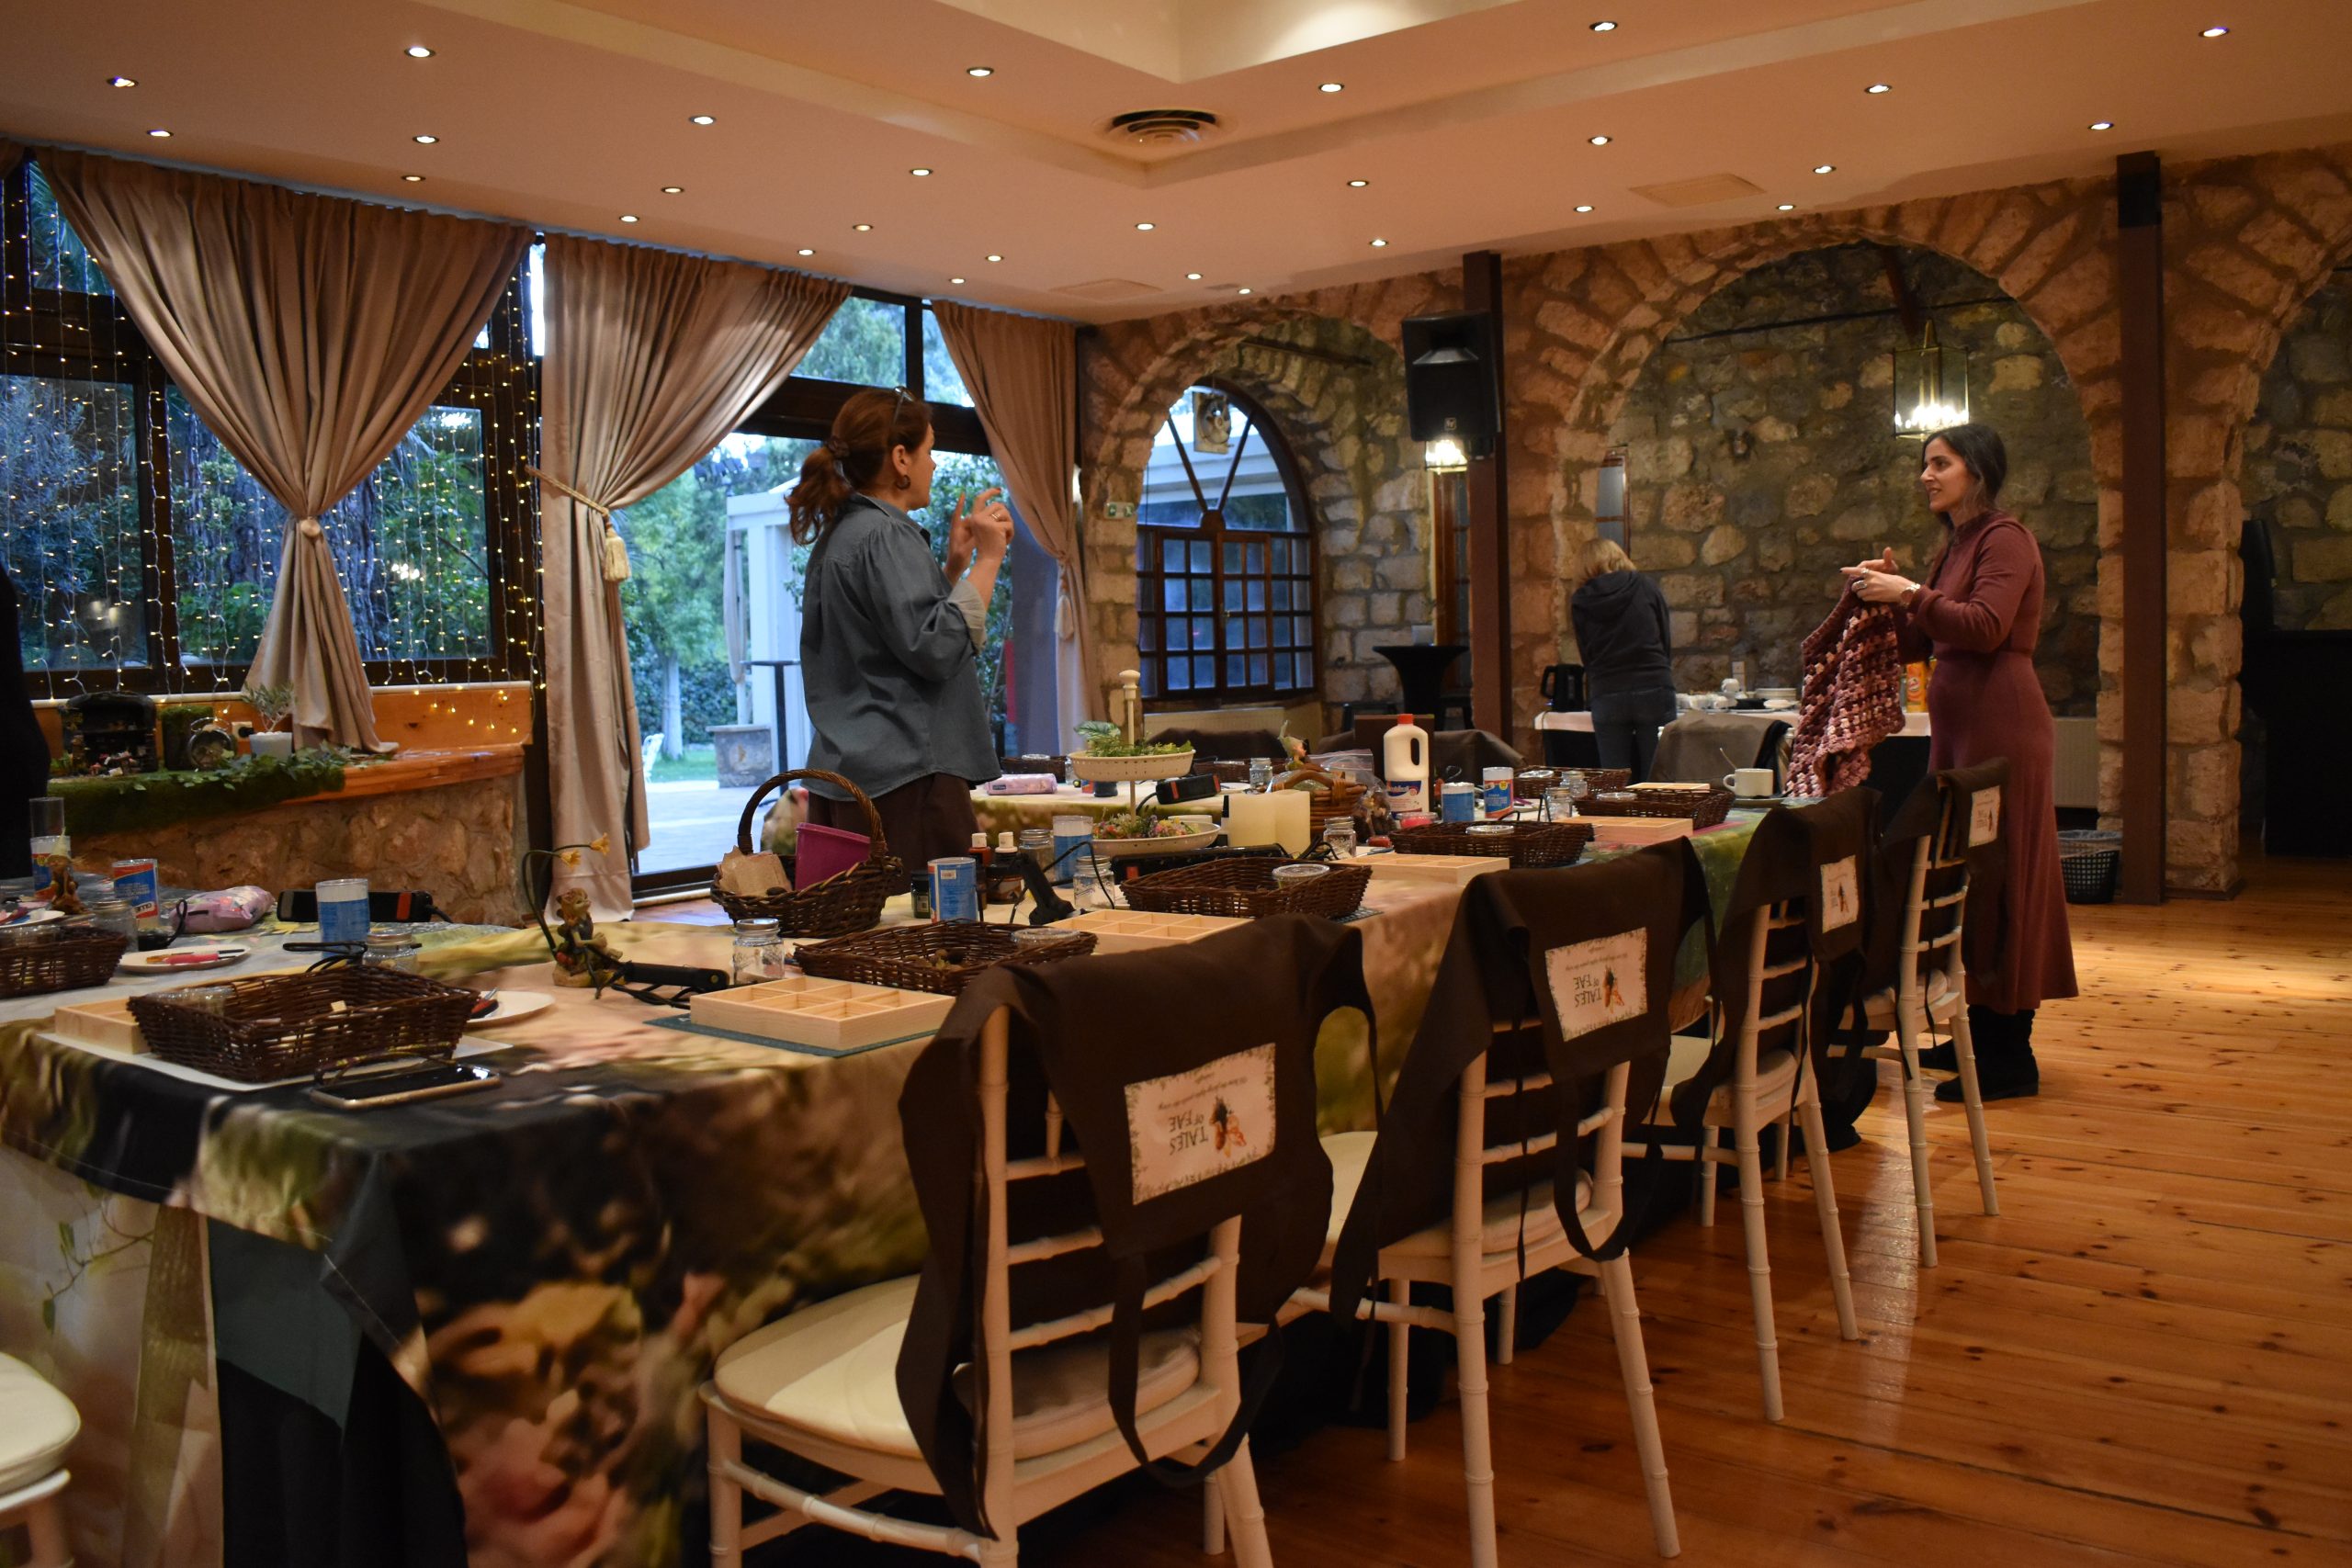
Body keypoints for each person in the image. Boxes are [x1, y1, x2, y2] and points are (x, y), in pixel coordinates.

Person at [1841, 423, 2077, 1101]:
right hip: (1962, 726)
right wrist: (1890, 595)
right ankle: (1978, 1031)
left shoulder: (2006, 538)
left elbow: (1985, 627)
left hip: (2003, 723)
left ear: (1976, 469)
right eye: (1925, 464)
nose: (1926, 475)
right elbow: (1920, 643)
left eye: (1939, 463)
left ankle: (2011, 1053)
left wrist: (1909, 593)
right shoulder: (1956, 545)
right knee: (1964, 875)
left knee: (2003, 873)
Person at [786, 387, 1010, 889]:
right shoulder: (885, 534)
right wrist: (990, 559)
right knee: (933, 929)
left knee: (868, 927)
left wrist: (952, 569)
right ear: (901, 458)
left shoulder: (843, 534)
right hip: (908, 778)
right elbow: (937, 647)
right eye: (929, 450)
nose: (934, 464)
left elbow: (894, 636)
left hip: (854, 776)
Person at [1568, 537, 1677, 782]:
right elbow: (1664, 636)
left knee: (1614, 779)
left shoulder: (1581, 600)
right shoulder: (1644, 585)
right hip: (1653, 684)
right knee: (1659, 775)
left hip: (1608, 691)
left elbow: (1586, 653)